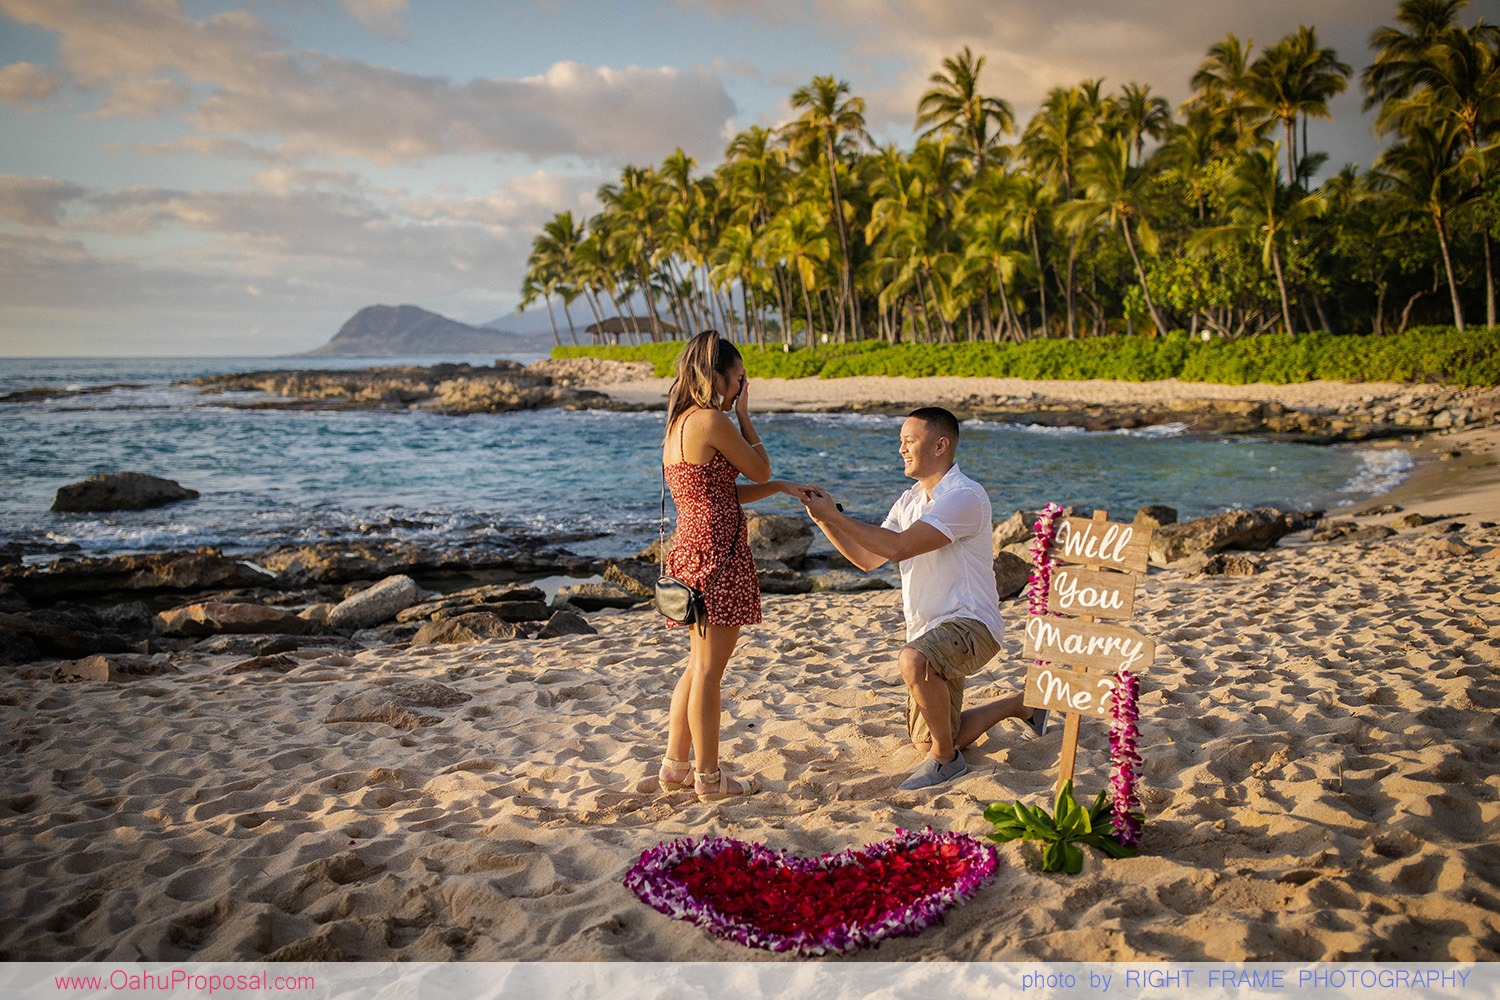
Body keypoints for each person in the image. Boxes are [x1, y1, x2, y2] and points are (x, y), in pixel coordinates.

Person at [798, 406, 1047, 791]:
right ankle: (1023, 704)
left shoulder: (965, 496)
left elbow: (899, 548)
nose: (901, 448)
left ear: (940, 445)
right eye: (900, 441)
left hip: (971, 625)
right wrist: (825, 520)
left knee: (914, 661)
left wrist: (836, 515)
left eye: (909, 440)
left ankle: (948, 763)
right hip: (931, 631)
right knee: (927, 739)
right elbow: (868, 559)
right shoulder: (910, 500)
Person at [656, 330, 809, 803]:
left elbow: (721, 492)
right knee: (708, 672)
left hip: (690, 550)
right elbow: (757, 468)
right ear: (717, 376)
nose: (741, 386)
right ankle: (708, 777)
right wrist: (745, 418)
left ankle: (674, 766)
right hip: (718, 554)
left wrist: (781, 487)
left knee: (696, 666)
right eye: (739, 378)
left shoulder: (680, 422)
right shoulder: (714, 420)